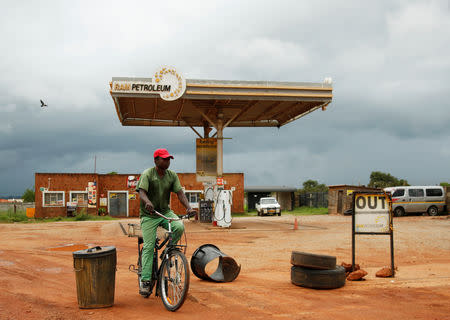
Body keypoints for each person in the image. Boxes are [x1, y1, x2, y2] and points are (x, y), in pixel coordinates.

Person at [136, 148, 196, 295]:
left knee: (178, 226)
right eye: (164, 159)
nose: (167, 161)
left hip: (164, 212)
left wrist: (189, 208)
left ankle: (169, 251)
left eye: (169, 159)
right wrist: (147, 202)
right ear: (156, 160)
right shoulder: (147, 174)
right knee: (149, 246)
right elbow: (141, 192)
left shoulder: (172, 176)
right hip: (149, 215)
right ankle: (145, 281)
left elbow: (180, 193)